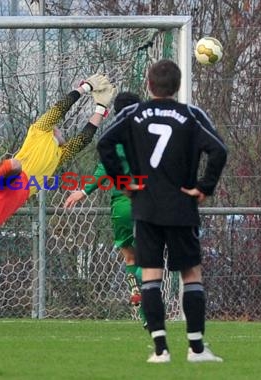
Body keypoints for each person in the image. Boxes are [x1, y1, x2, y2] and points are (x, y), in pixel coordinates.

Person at [0, 74, 118, 314]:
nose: (62, 130)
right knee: (14, 164)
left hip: (15, 196)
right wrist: (85, 88)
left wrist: (101, 107)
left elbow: (85, 137)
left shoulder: (60, 155)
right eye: (59, 128)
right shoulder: (40, 130)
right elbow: (60, 108)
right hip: (14, 176)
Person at [97, 59, 227, 363]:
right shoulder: (192, 115)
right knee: (191, 274)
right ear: (178, 86)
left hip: (146, 206)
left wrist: (125, 183)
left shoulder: (133, 113)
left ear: (149, 85)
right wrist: (204, 187)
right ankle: (196, 349)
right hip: (181, 206)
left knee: (151, 276)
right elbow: (219, 150)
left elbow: (104, 143)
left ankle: (160, 350)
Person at [64, 91, 146, 328]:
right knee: (151, 261)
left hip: (122, 204)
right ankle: (143, 290)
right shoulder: (148, 135)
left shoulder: (115, 137)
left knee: (129, 255)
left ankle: (137, 293)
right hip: (148, 203)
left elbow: (104, 170)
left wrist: (83, 192)